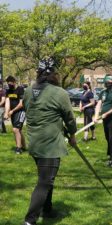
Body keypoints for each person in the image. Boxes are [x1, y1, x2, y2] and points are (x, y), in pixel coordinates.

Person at [22, 58, 77, 225]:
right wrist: (72, 134)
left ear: (38, 73)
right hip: (49, 145)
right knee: (45, 182)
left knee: (46, 177)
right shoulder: (60, 93)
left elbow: (29, 109)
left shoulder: (28, 91)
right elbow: (69, 117)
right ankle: (30, 221)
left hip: (34, 142)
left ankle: (48, 210)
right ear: (54, 74)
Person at [94, 75, 112, 168]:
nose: (106, 85)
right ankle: (111, 156)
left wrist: (107, 113)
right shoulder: (103, 92)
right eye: (105, 83)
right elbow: (99, 104)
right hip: (105, 119)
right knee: (107, 138)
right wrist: (96, 116)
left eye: (108, 83)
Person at [4, 75, 26, 154]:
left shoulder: (20, 89)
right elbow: (7, 102)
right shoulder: (8, 91)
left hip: (21, 111)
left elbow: (21, 104)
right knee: (18, 130)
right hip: (13, 112)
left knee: (15, 129)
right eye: (7, 82)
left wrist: (12, 111)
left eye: (10, 82)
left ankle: (18, 148)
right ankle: (24, 146)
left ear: (14, 82)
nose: (9, 84)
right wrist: (6, 113)